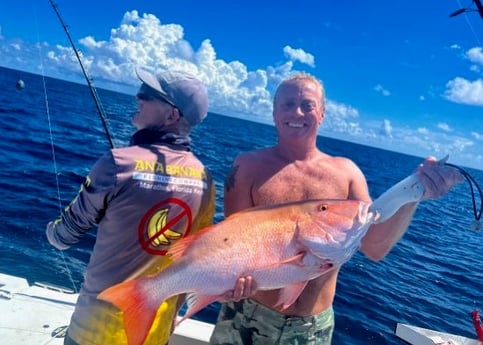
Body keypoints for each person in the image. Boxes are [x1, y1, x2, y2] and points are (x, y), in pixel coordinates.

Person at [209, 72, 463, 344]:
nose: (297, 112)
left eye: (307, 105)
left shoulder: (347, 173)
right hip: (246, 315)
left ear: (322, 114)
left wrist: (416, 191)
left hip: (311, 329)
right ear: (274, 113)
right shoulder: (247, 166)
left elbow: (374, 248)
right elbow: (232, 242)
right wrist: (224, 285)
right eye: (287, 104)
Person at [46, 67, 216, 345]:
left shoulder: (118, 163)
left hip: (95, 331)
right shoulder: (205, 180)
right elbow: (195, 260)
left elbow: (64, 238)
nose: (138, 96)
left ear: (172, 115)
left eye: (148, 95)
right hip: (154, 332)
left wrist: (50, 231)